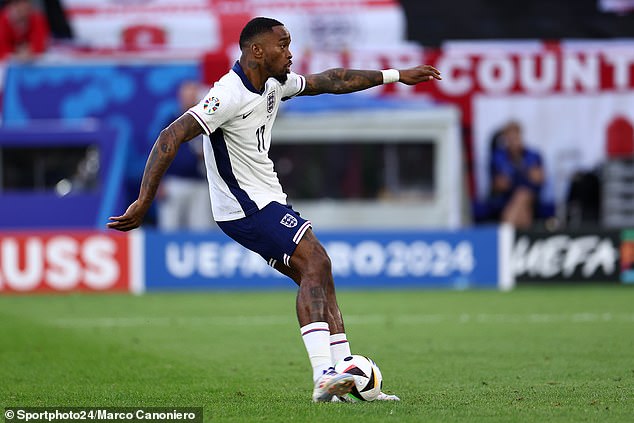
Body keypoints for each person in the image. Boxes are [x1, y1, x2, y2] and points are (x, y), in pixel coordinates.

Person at [107, 17, 441, 402]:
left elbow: (331, 80)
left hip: (268, 198)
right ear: (256, 50)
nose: (290, 52)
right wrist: (144, 200)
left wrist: (395, 75)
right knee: (315, 262)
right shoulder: (227, 94)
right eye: (282, 45)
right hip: (245, 206)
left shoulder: (273, 82)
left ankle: (344, 372)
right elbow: (171, 135)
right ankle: (324, 375)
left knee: (318, 270)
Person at [157, 80, 215, 231]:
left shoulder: (207, 121)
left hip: (200, 182)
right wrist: (159, 181)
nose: (190, 98)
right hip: (175, 182)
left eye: (193, 94)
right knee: (169, 227)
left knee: (200, 229)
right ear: (180, 97)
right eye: (186, 95)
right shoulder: (171, 121)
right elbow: (159, 154)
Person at [488, 120, 545, 229]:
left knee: (522, 195)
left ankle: (506, 230)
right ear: (506, 139)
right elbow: (498, 184)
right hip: (507, 198)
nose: (514, 141)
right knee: (522, 205)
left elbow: (539, 179)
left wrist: (519, 169)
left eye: (516, 137)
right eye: (510, 138)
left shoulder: (533, 155)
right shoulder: (498, 157)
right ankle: (522, 235)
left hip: (531, 196)